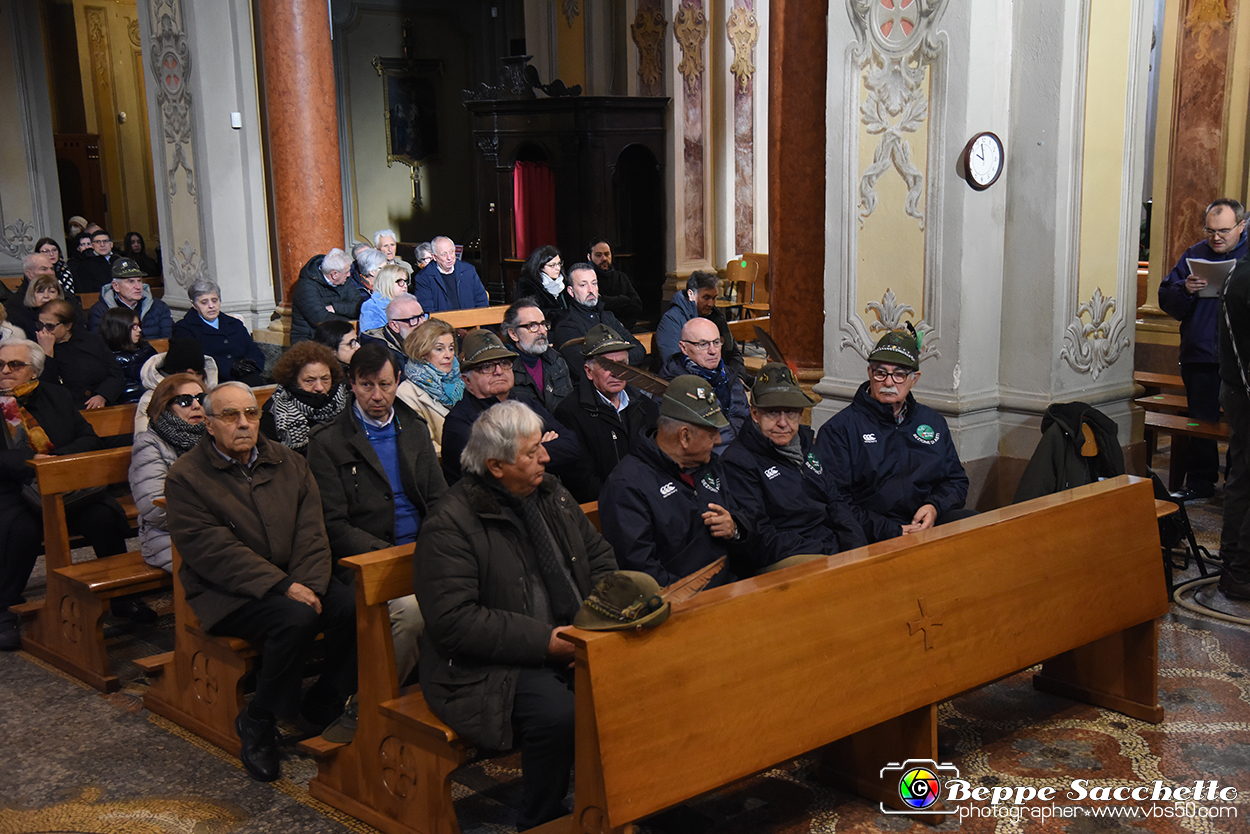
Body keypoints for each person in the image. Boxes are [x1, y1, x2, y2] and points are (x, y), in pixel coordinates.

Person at [414, 399, 618, 830]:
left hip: (575, 635)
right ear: (496, 465)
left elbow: (600, 557)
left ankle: (619, 796)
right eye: (531, 452)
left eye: (541, 445)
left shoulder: (551, 493)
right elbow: (455, 620)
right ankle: (544, 818)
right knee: (559, 712)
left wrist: (601, 615)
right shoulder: (450, 522)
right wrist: (546, 641)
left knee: (640, 677)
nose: (545, 456)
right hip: (488, 665)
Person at [165, 381, 357, 781]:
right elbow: (213, 552)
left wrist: (306, 583)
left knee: (353, 605)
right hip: (228, 590)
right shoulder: (186, 477)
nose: (243, 423)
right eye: (230, 415)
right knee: (295, 619)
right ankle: (259, 718)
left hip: (297, 578)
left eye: (251, 414)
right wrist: (283, 586)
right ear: (209, 424)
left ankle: (325, 700)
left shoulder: (288, 461)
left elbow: (312, 531)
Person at [307, 343, 446, 685]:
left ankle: (451, 693)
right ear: (351, 384)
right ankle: (373, 700)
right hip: (368, 561)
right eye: (366, 385)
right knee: (411, 614)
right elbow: (333, 524)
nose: (377, 395)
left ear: (398, 380)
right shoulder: (328, 442)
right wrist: (388, 556)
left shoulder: (413, 427)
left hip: (423, 550)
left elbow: (439, 498)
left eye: (385, 384)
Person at [0, 338, 147, 652]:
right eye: (0, 365)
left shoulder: (56, 395)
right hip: (11, 488)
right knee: (21, 530)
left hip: (65, 486)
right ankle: (4, 609)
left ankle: (122, 597)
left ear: (34, 370)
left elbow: (88, 438)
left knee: (104, 515)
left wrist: (58, 462)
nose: (5, 371)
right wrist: (28, 463)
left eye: (15, 365)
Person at [815, 330, 973, 543]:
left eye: (899, 374)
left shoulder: (932, 421)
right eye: (881, 373)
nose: (889, 382)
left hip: (927, 523)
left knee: (980, 527)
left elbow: (956, 480)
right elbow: (837, 503)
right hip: (872, 532)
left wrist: (934, 507)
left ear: (914, 379)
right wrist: (892, 530)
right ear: (870, 373)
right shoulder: (840, 430)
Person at [598, 375, 755, 588]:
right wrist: (696, 599)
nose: (718, 440)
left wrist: (734, 528)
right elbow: (643, 572)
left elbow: (746, 518)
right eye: (711, 434)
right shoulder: (627, 486)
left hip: (730, 586)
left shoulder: (710, 465)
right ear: (684, 437)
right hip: (682, 605)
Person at [720, 363, 866, 572]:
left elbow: (836, 502)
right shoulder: (738, 462)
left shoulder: (807, 447)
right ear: (754, 414)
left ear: (800, 414)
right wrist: (828, 552)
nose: (782, 422)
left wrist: (856, 546)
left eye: (790, 412)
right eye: (772, 413)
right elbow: (761, 537)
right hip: (784, 559)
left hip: (826, 548)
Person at [1158, 198, 1248, 501]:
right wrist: (1185, 288)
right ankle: (1199, 481)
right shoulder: (1194, 255)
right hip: (1201, 352)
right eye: (1210, 231)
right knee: (1200, 422)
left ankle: (1238, 483)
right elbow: (1166, 299)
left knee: (1240, 424)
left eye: (1223, 230)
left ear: (1241, 226)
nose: (1216, 237)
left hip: (1241, 358)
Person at [440, 329, 581, 487]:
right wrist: (541, 447)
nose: (499, 371)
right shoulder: (459, 422)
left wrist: (520, 454)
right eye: (486, 367)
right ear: (467, 380)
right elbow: (497, 472)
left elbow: (572, 446)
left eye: (505, 363)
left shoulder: (527, 404)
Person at [554, 323, 659, 497]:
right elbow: (582, 482)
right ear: (589, 372)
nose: (617, 373)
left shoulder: (646, 406)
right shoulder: (570, 414)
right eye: (607, 366)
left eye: (622, 364)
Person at [129, 373, 207, 572]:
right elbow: (156, 509)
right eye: (184, 401)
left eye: (201, 399)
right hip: (169, 537)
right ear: (165, 405)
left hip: (218, 529)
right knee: (230, 566)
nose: (196, 406)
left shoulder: (216, 436)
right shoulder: (149, 444)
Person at [659, 317, 750, 449]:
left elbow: (747, 421)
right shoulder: (672, 386)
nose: (713, 351)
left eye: (716, 342)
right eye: (703, 344)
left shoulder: (730, 376)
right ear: (684, 348)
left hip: (744, 454)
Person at [1219, 256, 1250, 600]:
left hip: (1235, 391)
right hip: (1244, 391)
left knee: (1242, 477)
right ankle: (1241, 570)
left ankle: (1231, 564)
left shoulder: (1238, 272)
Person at [260, 340, 350, 455]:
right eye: (309, 381)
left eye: (325, 379)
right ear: (293, 381)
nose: (319, 387)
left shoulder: (346, 401)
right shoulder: (275, 412)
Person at [550, 263, 645, 371]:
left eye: (594, 283)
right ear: (571, 291)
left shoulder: (608, 317)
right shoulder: (566, 325)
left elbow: (640, 350)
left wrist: (610, 357)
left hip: (620, 381)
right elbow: (583, 366)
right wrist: (621, 353)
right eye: (583, 285)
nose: (591, 290)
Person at [655, 270, 746, 381]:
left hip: (721, 377)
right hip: (687, 384)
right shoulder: (672, 319)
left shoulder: (716, 316)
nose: (711, 304)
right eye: (706, 298)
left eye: (714, 298)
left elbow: (732, 352)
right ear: (691, 294)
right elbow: (674, 363)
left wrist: (738, 377)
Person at [171, 279, 266, 385]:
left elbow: (253, 350)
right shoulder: (184, 328)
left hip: (247, 377)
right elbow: (195, 360)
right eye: (204, 302)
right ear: (193, 305)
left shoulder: (234, 323)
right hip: (214, 381)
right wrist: (230, 367)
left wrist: (250, 365)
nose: (211, 306)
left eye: (215, 300)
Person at [35, 299, 125, 409]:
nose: (44, 331)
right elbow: (47, 388)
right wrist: (47, 354)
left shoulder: (93, 341)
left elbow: (116, 374)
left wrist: (102, 396)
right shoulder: (36, 348)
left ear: (68, 326)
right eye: (40, 325)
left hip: (101, 403)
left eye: (50, 326)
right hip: (67, 408)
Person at [398, 317, 461, 453]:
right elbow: (423, 446)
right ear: (423, 353)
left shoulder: (464, 380)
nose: (448, 355)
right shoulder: (406, 393)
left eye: (451, 348)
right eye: (439, 349)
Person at [134, 337, 219, 433]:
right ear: (175, 373)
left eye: (199, 373)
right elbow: (143, 436)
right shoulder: (150, 398)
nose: (196, 379)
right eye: (190, 374)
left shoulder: (211, 396)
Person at [502, 297, 573, 412]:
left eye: (543, 324)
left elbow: (570, 407)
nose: (542, 331)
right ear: (513, 334)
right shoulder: (504, 369)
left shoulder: (557, 362)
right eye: (533, 326)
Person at [87, 257, 174, 339]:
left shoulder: (159, 306)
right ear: (116, 286)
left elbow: (168, 339)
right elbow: (100, 345)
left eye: (139, 281)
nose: (138, 287)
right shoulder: (100, 311)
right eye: (131, 281)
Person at [290, 249, 362, 343]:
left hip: (338, 337)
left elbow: (359, 306)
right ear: (334, 274)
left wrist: (336, 307)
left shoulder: (344, 280)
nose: (349, 275)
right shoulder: (306, 287)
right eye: (346, 272)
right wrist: (350, 321)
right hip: (311, 340)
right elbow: (321, 319)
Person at [411, 236, 489, 313]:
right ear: (434, 257)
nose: (449, 257)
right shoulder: (424, 277)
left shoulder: (467, 270)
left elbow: (481, 299)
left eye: (451, 252)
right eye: (444, 254)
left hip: (471, 322)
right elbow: (427, 309)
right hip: (442, 324)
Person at [99, 306, 156, 404]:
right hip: (122, 403)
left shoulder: (145, 348)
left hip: (150, 398)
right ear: (120, 328)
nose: (139, 330)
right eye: (134, 326)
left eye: (139, 325)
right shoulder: (104, 354)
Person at [586, 238, 644, 330]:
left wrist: (607, 301)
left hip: (625, 328)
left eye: (607, 254)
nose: (604, 258)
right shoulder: (587, 280)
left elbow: (637, 306)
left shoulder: (621, 277)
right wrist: (624, 300)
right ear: (589, 257)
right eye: (598, 255)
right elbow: (594, 307)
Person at [7, 255, 69, 337]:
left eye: (52, 269)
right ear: (29, 274)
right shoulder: (16, 306)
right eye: (44, 269)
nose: (50, 272)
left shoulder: (68, 301)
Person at [360, 293, 427, 362]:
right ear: (395, 326)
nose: (421, 323)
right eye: (413, 319)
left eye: (422, 316)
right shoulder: (383, 354)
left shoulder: (425, 338)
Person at [516, 245, 570, 327]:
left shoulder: (563, 282)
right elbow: (530, 311)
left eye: (559, 264)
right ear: (540, 267)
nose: (558, 268)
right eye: (552, 265)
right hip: (541, 327)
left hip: (564, 326)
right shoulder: (528, 283)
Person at [358, 263, 411, 331]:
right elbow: (372, 336)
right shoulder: (371, 307)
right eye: (400, 281)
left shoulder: (410, 303)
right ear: (387, 282)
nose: (405, 285)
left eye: (405, 281)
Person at [71, 228, 116, 293]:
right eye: (98, 242)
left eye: (105, 241)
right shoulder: (84, 265)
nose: (102, 245)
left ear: (111, 244)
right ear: (92, 245)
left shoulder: (120, 261)